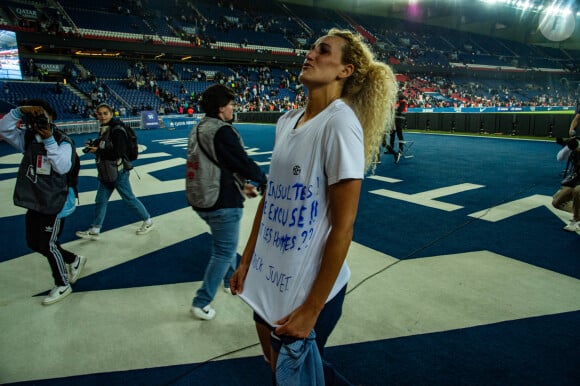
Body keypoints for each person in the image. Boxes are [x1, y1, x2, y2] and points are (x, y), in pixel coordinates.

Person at [230, 29, 397, 384]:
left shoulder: (339, 123)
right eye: (311, 48)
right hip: (270, 280)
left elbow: (344, 227)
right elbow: (271, 200)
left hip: (308, 290)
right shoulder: (286, 121)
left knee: (300, 375)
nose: (310, 54)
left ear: (345, 71)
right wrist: (247, 262)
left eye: (323, 51)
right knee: (278, 371)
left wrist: (312, 308)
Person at [186, 84, 267, 320]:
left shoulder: (200, 127)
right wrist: (263, 179)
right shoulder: (223, 131)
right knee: (224, 250)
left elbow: (217, 163)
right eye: (231, 104)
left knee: (224, 245)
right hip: (222, 202)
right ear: (222, 108)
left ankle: (228, 279)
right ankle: (201, 303)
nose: (234, 108)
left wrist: (241, 185)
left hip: (202, 197)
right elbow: (241, 161)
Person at [0, 99, 86, 305]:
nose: (38, 119)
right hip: (36, 199)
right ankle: (74, 260)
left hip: (56, 201)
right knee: (33, 242)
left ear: (52, 117)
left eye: (42, 115)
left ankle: (62, 283)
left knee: (47, 243)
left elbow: (63, 167)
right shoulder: (29, 138)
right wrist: (19, 111)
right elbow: (3, 129)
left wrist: (49, 141)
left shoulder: (63, 140)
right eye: (34, 115)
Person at [76, 103, 153, 240]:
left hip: (118, 172)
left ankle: (148, 221)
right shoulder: (106, 128)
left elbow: (119, 152)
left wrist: (98, 151)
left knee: (129, 198)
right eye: (99, 114)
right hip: (107, 172)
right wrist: (95, 144)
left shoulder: (117, 130)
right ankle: (95, 228)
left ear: (111, 114)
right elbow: (106, 144)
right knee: (100, 200)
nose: (102, 116)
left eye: (105, 113)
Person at [552, 135, 580, 233]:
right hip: (576, 179)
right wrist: (569, 146)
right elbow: (560, 158)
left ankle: (576, 219)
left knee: (578, 190)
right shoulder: (576, 142)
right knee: (557, 202)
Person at [385, 91, 407, 164]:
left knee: (399, 135)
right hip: (394, 121)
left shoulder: (403, 102)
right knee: (392, 135)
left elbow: (400, 111)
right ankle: (391, 149)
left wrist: (393, 108)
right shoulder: (397, 102)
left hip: (399, 121)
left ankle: (400, 150)